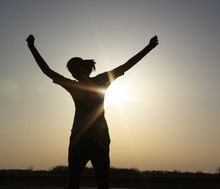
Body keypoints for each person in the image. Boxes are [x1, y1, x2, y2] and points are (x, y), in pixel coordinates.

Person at [26, 35, 159, 189]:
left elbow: (126, 65)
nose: (72, 72)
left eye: (74, 68)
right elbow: (47, 71)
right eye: (71, 70)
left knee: (102, 184)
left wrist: (148, 47)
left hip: (98, 136)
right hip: (80, 136)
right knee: (73, 184)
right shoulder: (73, 85)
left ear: (84, 68)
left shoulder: (102, 80)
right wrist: (32, 47)